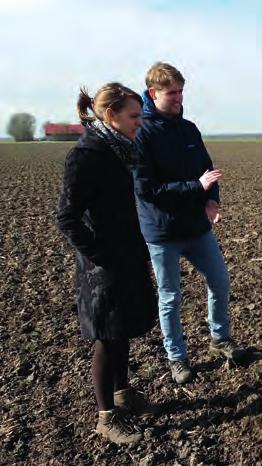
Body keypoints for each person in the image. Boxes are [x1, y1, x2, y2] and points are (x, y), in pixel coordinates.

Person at [57, 83, 158, 444]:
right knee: (106, 337)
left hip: (128, 254)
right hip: (103, 266)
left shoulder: (122, 151)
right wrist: (102, 258)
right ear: (110, 115)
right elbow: (67, 218)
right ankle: (106, 417)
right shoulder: (86, 154)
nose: (140, 124)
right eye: (134, 117)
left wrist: (138, 254)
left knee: (123, 329)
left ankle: (123, 392)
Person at [132, 62, 243, 384]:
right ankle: (176, 357)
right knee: (170, 296)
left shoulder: (189, 129)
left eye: (181, 91)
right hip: (162, 230)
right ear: (153, 94)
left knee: (220, 282)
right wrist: (197, 187)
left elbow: (207, 170)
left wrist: (211, 200)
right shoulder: (142, 134)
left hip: (196, 226)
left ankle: (220, 338)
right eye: (172, 93)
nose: (179, 98)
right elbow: (147, 190)